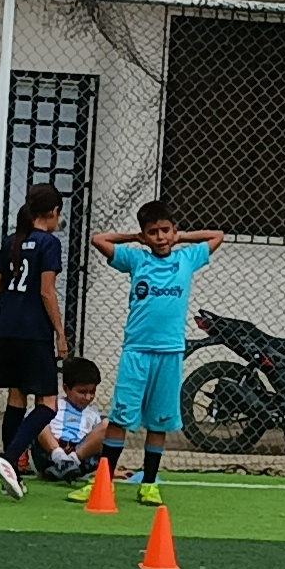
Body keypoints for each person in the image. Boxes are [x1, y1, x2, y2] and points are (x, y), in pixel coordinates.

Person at [92, 201, 227, 508]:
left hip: (170, 354)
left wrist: (182, 237)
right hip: (137, 352)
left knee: (159, 421)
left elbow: (217, 235)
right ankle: (102, 482)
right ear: (145, 236)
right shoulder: (136, 259)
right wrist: (134, 238)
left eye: (166, 230)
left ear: (174, 230)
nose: (161, 237)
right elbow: (99, 240)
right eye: (153, 232)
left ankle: (149, 484)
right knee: (120, 418)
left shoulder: (186, 258)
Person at [0, 183, 70, 499]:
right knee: (48, 404)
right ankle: (9, 458)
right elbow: (47, 291)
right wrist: (60, 332)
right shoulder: (49, 243)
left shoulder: (13, 240)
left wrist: (15, 298)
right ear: (54, 212)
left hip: (8, 328)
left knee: (16, 397)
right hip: (34, 331)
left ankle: (11, 476)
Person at [34, 356, 109, 491]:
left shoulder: (93, 415)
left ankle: (70, 463)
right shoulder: (54, 405)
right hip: (50, 454)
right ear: (66, 388)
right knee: (38, 416)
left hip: (79, 458)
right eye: (82, 392)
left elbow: (96, 443)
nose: (88, 397)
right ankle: (60, 460)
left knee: (107, 425)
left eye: (92, 392)